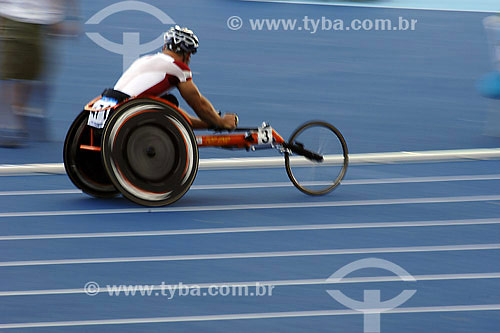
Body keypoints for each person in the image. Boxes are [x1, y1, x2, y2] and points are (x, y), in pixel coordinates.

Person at [104, 25, 237, 130]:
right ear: (187, 54)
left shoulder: (145, 59)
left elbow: (172, 113)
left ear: (164, 47)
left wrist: (208, 123)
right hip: (128, 115)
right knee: (169, 102)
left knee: (168, 101)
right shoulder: (178, 68)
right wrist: (220, 122)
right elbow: (198, 103)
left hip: (107, 109)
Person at [0, 0, 79, 147]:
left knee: (29, 74)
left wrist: (59, 17)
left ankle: (18, 118)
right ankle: (9, 123)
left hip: (39, 22)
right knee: (10, 74)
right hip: (13, 17)